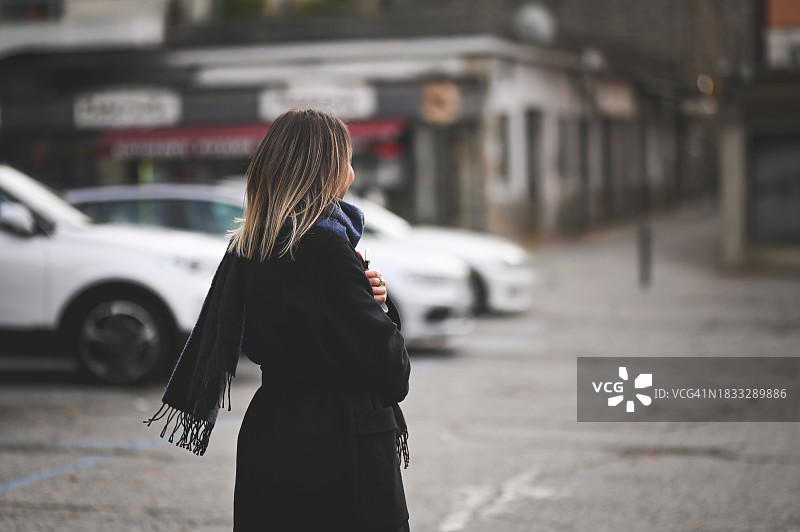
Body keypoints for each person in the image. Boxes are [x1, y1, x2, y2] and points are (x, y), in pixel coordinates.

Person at [146, 109, 411, 531]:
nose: (352, 174)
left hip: (273, 431)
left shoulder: (251, 244)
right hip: (341, 447)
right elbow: (390, 371)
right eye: (346, 161)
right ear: (325, 170)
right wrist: (379, 309)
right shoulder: (327, 249)